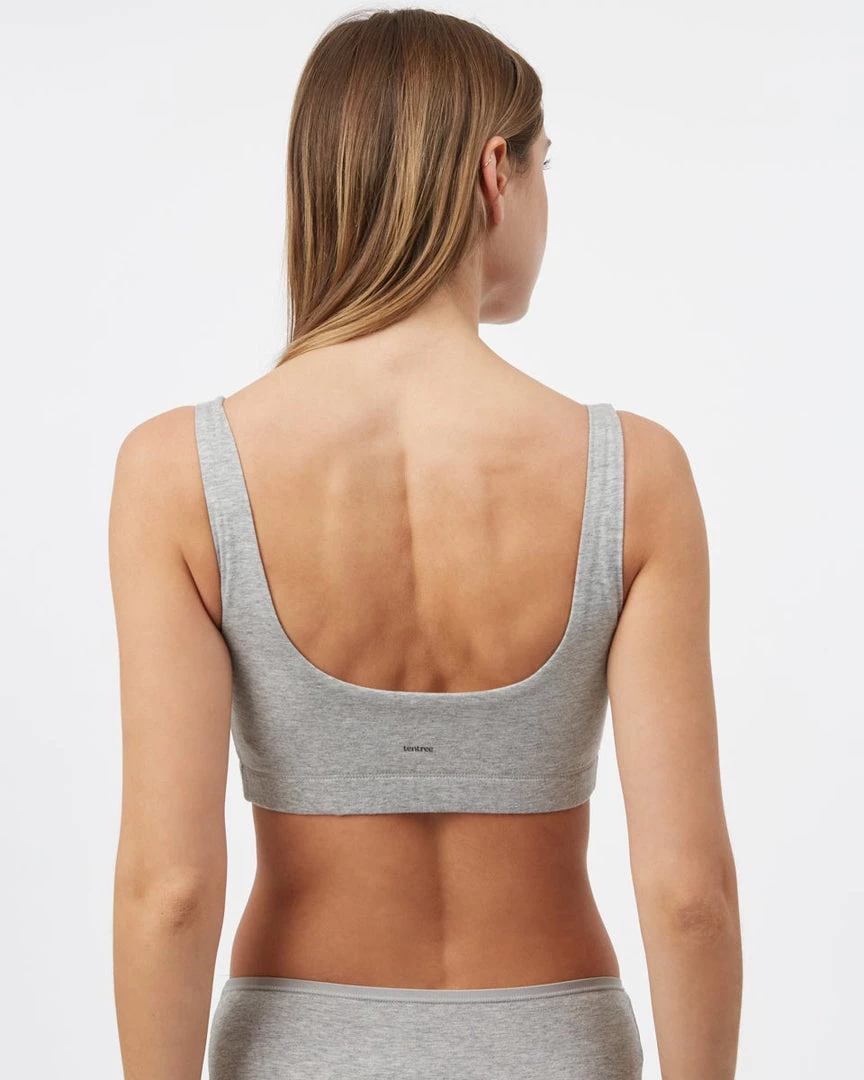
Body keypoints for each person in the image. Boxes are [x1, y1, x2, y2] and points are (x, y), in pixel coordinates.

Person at [109, 7, 742, 1079]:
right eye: (546, 166)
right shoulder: (635, 474)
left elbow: (168, 891)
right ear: (496, 174)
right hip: (557, 1045)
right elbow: (690, 896)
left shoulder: (179, 472)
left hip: (296, 1048)